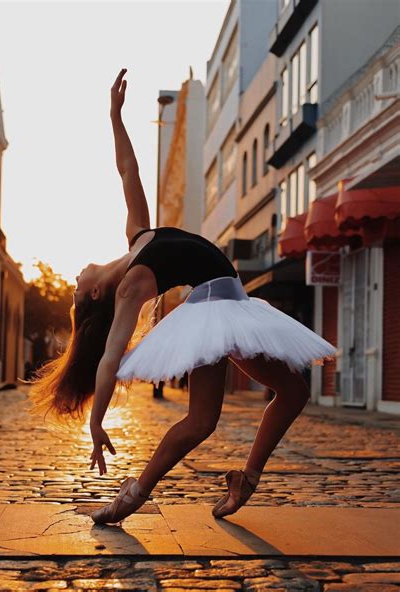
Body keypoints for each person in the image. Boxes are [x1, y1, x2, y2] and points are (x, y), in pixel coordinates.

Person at [27, 68, 337, 525]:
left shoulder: (139, 236)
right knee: (212, 417)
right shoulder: (133, 283)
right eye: (78, 288)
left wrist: (115, 117)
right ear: (96, 291)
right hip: (213, 311)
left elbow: (127, 170)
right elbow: (111, 356)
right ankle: (131, 497)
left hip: (229, 304)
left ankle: (240, 480)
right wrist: (96, 422)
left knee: (284, 394)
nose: (75, 277)